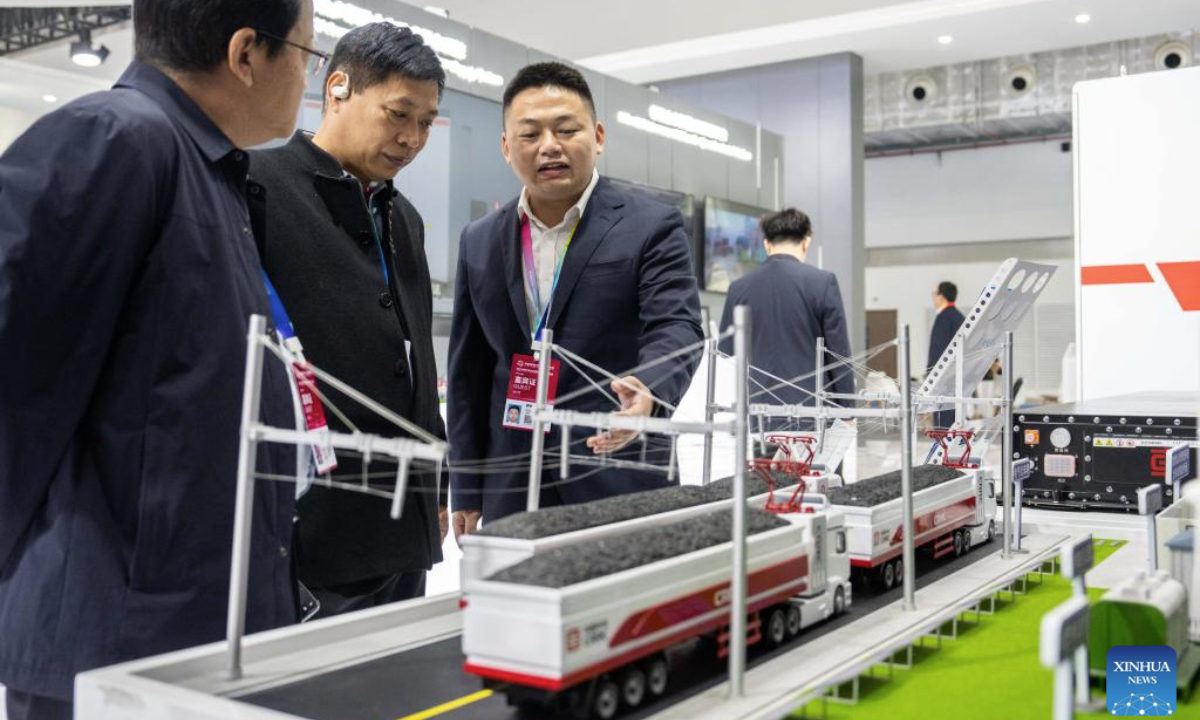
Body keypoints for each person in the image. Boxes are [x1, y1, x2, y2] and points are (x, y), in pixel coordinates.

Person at [0, 1, 315, 718]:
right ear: (246, 54)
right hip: (114, 649)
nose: (305, 75)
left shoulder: (206, 172)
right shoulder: (113, 139)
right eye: (306, 53)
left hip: (188, 638)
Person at [448, 62, 703, 532]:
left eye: (566, 129)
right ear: (507, 147)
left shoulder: (651, 226)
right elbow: (469, 370)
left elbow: (678, 326)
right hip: (512, 481)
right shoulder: (478, 240)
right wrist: (465, 482)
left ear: (598, 135)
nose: (549, 146)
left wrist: (648, 389)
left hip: (616, 466)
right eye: (530, 134)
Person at [249, 23, 448, 615]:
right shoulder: (257, 185)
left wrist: (434, 482)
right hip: (309, 531)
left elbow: (415, 360)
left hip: (403, 528)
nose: (411, 138)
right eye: (397, 114)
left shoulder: (403, 216)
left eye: (426, 122)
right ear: (338, 88)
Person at [717, 209, 853, 430]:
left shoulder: (738, 288)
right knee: (815, 466)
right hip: (815, 414)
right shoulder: (822, 282)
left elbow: (725, 355)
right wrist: (848, 408)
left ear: (766, 244)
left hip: (756, 417)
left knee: (761, 467)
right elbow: (838, 354)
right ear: (806, 242)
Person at [929, 280, 966, 428]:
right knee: (954, 417)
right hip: (955, 377)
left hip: (943, 377)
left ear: (941, 296)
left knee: (943, 422)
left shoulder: (944, 317)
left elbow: (938, 348)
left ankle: (943, 448)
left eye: (934, 294)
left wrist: (931, 374)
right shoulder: (958, 316)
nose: (933, 297)